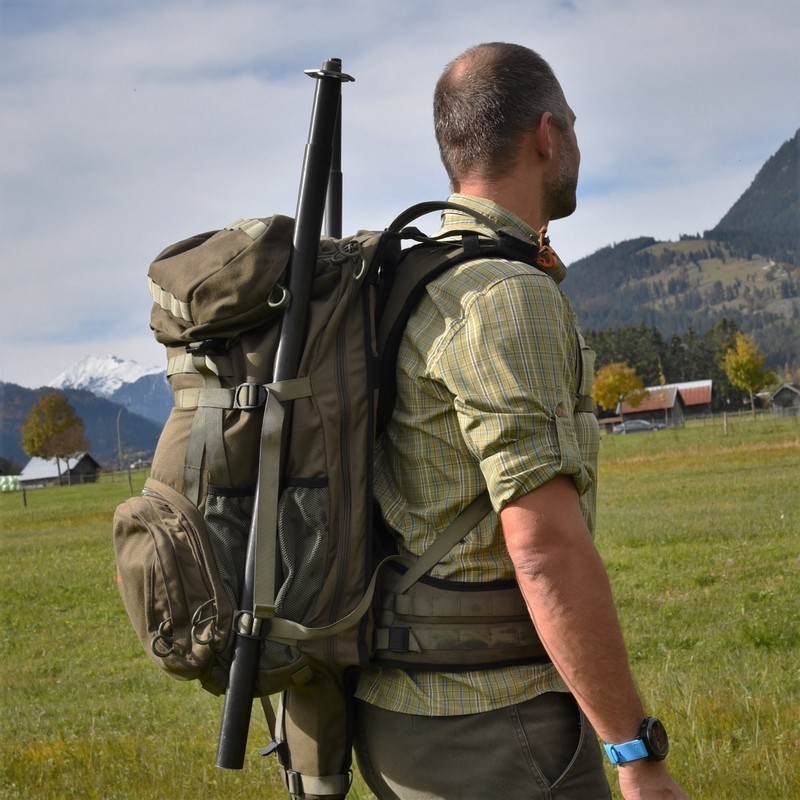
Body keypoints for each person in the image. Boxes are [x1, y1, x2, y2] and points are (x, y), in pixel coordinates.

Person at [353, 42, 691, 800]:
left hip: (402, 714)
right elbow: (543, 549)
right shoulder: (504, 294)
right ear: (547, 134)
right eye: (573, 124)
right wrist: (635, 754)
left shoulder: (415, 277)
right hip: (495, 727)